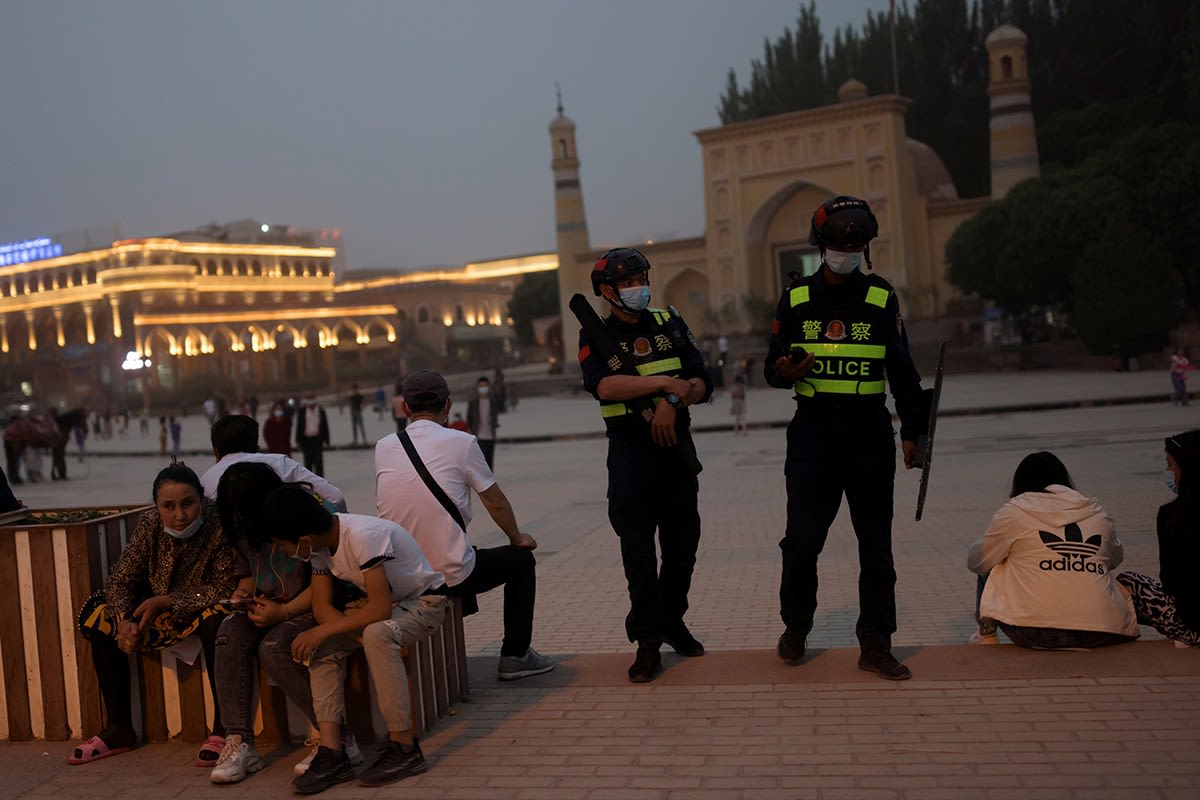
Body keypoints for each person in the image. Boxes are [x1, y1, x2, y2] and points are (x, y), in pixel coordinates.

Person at [764, 195, 928, 681]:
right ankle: (796, 628)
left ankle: (876, 643)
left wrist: (913, 431)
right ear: (822, 245)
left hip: (868, 432)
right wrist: (787, 370)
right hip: (814, 434)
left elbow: (902, 370)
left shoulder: (881, 297)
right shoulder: (795, 299)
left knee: (876, 546)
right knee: (800, 543)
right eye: (839, 244)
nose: (848, 252)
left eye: (857, 244)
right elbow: (773, 368)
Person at [254, 485, 447, 793]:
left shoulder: (362, 535)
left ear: (303, 539)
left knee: (376, 634)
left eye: (281, 544)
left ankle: (405, 747)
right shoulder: (318, 547)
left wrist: (328, 629)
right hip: (382, 608)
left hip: (423, 604)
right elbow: (321, 607)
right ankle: (333, 752)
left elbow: (380, 608)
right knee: (325, 648)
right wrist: (327, 633)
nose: (283, 552)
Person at [577, 247, 713, 682]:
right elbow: (604, 386)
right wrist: (660, 384)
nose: (638, 289)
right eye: (629, 283)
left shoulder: (668, 322)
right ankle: (648, 642)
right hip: (631, 452)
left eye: (641, 280)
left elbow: (701, 380)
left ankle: (672, 620)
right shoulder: (595, 334)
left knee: (682, 546)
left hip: (675, 445)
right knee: (638, 551)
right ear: (607, 291)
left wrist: (673, 401)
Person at [374, 370, 555, 681]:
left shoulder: (383, 446)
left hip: (399, 576)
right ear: (448, 406)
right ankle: (516, 655)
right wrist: (516, 536)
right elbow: (495, 501)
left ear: (405, 408)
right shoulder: (464, 442)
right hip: (448, 575)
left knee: (459, 551)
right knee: (520, 561)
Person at [68, 465, 235, 766]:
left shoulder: (221, 524)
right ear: (156, 506)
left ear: (202, 499)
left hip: (199, 609)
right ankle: (118, 727)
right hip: (155, 614)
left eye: (188, 503)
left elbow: (224, 586)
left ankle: (223, 728)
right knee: (97, 614)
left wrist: (166, 601)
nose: (180, 515)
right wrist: (123, 620)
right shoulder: (149, 525)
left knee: (220, 618)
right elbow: (120, 579)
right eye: (168, 507)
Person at [207, 463, 361, 784]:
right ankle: (239, 741)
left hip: (314, 605)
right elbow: (247, 575)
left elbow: (324, 585)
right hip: (272, 604)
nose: (243, 524)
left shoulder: (302, 514)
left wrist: (284, 612)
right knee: (228, 634)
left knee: (276, 646)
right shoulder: (239, 525)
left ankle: (336, 737)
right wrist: (243, 596)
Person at [967, 451, 1138, 649]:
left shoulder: (1014, 512)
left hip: (1031, 631)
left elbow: (977, 561)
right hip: (1101, 631)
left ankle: (987, 636)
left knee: (994, 562)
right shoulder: (1096, 512)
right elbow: (1115, 558)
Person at [1117, 431, 1200, 647]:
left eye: (1171, 465)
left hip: (1193, 624)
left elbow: (1170, 581)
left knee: (1128, 582)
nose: (1169, 472)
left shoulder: (1173, 514)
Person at [198, 414, 346, 512]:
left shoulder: (205, 481)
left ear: (215, 452)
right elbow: (335, 497)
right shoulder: (280, 463)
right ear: (257, 448)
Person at [466, 376, 499, 470]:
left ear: (488, 387)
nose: (483, 388)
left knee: (489, 459)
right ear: (477, 387)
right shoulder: (473, 402)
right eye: (481, 386)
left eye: (485, 385)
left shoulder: (493, 401)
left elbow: (495, 416)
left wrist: (495, 427)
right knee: (480, 460)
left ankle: (490, 479)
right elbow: (469, 418)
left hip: (490, 435)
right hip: (478, 435)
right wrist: (470, 431)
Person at [295, 392, 330, 477]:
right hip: (306, 440)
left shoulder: (321, 411)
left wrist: (327, 440)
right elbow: (299, 426)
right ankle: (310, 482)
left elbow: (325, 426)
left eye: (311, 398)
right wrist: (298, 441)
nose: (310, 401)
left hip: (317, 439)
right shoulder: (302, 411)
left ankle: (320, 483)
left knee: (318, 463)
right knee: (308, 463)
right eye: (308, 399)